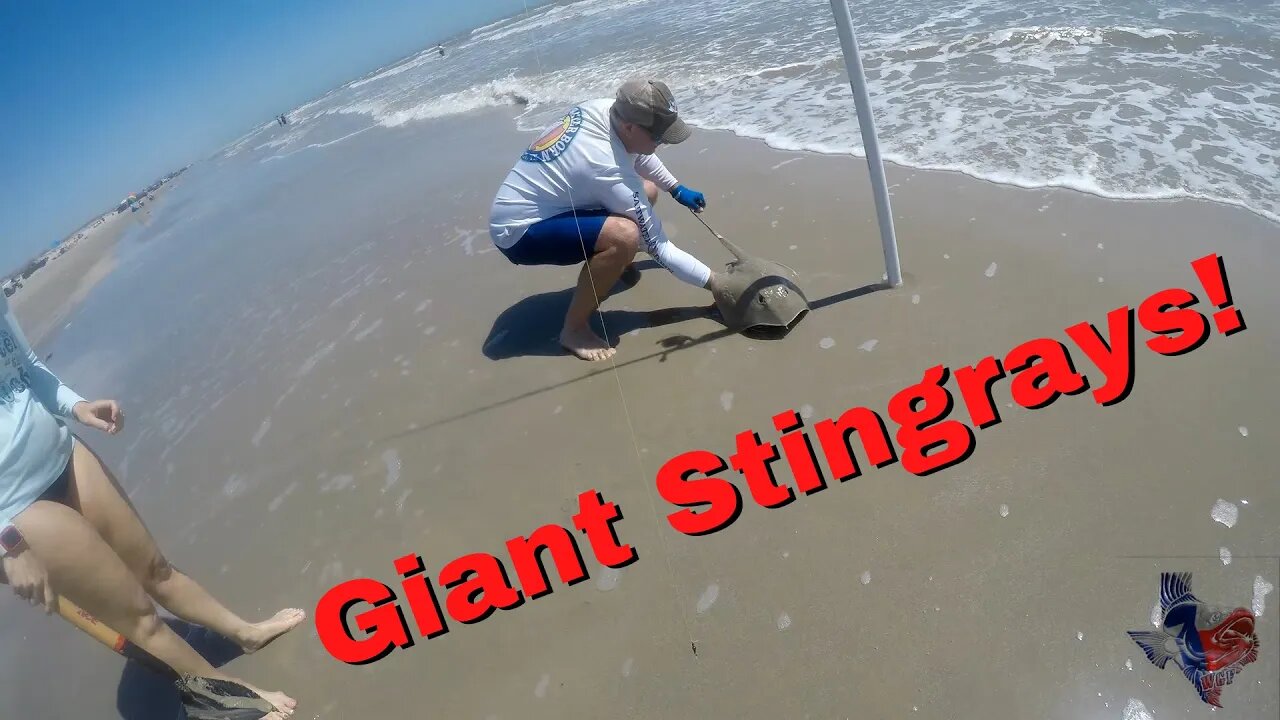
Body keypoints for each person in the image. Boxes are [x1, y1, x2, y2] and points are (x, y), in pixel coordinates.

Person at [0, 294, 303, 719]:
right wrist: (7, 545)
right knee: (139, 615)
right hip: (14, 508)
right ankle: (232, 697)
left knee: (156, 569)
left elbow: (27, 367)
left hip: (62, 454)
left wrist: (77, 406)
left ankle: (245, 633)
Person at [488, 78, 721, 361]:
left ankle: (613, 265)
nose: (661, 143)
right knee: (625, 236)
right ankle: (573, 329)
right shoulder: (604, 165)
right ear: (630, 127)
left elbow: (636, 151)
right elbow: (659, 247)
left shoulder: (607, 109)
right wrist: (716, 284)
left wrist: (675, 187)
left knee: (646, 191)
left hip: (541, 204)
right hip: (519, 232)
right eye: (658, 137)